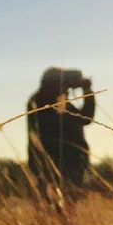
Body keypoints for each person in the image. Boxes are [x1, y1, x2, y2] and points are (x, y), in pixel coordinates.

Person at [27, 67, 95, 200]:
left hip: (57, 161)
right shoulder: (43, 101)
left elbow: (85, 118)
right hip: (59, 161)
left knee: (64, 205)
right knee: (60, 204)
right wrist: (86, 90)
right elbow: (86, 118)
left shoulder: (44, 100)